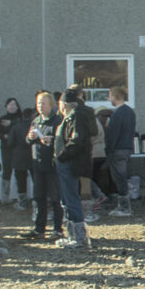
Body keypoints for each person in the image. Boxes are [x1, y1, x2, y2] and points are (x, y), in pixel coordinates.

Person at [21, 91, 64, 240]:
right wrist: (29, 137)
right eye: (38, 103)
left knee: (55, 198)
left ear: (51, 105)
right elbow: (27, 141)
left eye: (43, 103)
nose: (40, 106)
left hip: (52, 166)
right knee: (38, 198)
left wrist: (51, 140)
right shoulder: (36, 120)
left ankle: (58, 229)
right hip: (37, 165)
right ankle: (39, 229)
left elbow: (62, 140)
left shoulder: (57, 121)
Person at [54, 88, 93, 249]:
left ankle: (79, 238)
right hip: (68, 163)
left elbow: (76, 141)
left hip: (69, 163)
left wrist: (61, 155)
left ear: (64, 105)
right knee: (67, 200)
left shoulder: (75, 118)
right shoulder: (73, 117)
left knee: (71, 199)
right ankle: (72, 235)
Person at [105, 86, 135, 217]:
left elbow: (113, 134)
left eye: (110, 96)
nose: (109, 98)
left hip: (117, 149)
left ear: (115, 97)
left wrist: (108, 150)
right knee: (123, 176)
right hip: (127, 148)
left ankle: (124, 207)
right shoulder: (130, 112)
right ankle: (125, 205)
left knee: (119, 178)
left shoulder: (117, 114)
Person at [0, 98, 21, 202]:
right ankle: (5, 197)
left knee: (19, 171)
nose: (12, 107)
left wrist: (11, 123)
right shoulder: (2, 119)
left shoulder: (20, 119)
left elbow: (21, 128)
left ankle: (19, 196)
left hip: (18, 149)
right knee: (7, 171)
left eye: (14, 105)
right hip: (6, 148)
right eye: (10, 105)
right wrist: (6, 136)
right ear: (6, 107)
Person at [7, 107, 34, 210]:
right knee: (36, 179)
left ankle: (22, 202)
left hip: (18, 156)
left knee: (21, 181)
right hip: (32, 155)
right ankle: (38, 200)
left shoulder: (16, 126)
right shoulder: (34, 126)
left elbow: (10, 142)